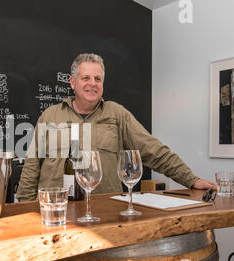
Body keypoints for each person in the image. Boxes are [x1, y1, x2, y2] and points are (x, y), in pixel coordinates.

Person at [16, 53, 216, 201]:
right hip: (54, 210)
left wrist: (191, 179)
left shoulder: (117, 114)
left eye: (97, 79)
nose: (92, 84)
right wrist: (23, 209)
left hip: (105, 211)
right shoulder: (49, 116)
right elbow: (31, 168)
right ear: (72, 82)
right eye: (85, 78)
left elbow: (154, 151)